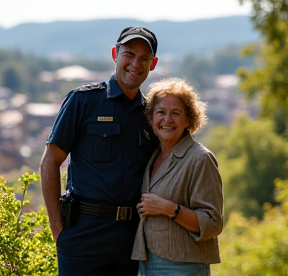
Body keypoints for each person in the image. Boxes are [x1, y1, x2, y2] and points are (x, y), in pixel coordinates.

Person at [40, 26, 160, 276]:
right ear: (115, 54)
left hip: (133, 240)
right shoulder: (83, 101)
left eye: (144, 58)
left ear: (153, 64)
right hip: (84, 236)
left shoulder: (151, 115)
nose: (136, 64)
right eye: (129, 54)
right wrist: (58, 230)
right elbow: (50, 161)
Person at [131, 78, 223, 276]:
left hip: (183, 266)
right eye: (161, 112)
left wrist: (168, 208)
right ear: (150, 118)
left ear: (188, 119)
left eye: (176, 113)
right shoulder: (152, 156)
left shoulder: (200, 158)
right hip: (146, 263)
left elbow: (212, 223)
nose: (167, 120)